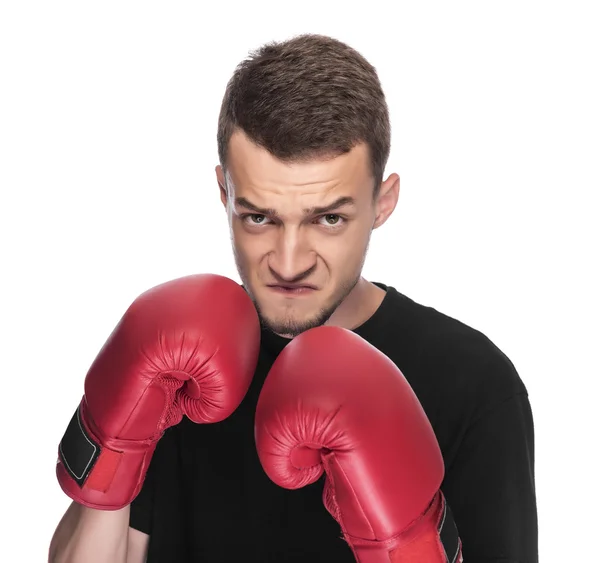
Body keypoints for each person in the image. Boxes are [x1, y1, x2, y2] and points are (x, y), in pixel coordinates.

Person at [49, 33, 538, 562]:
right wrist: (115, 448)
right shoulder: (178, 365)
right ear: (224, 192)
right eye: (259, 217)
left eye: (328, 219)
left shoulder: (472, 384)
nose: (288, 261)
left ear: (383, 202)